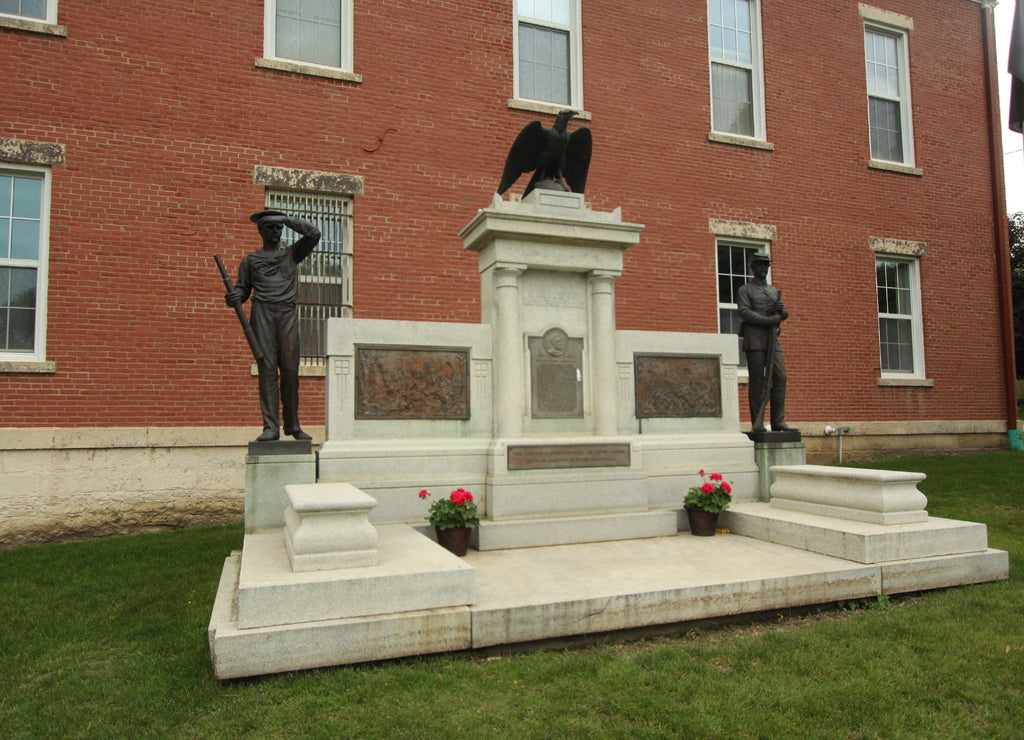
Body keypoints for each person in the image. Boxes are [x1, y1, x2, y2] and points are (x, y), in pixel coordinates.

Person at [225, 209, 321, 442]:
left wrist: (286, 219)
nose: (276, 231)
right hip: (263, 315)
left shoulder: (291, 254)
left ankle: (292, 424)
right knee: (267, 371)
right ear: (261, 231)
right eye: (271, 227)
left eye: (279, 228)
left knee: (290, 371)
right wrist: (235, 297)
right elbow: (243, 289)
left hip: (287, 314)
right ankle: (270, 427)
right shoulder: (250, 261)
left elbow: (314, 234)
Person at [736, 252, 796, 433]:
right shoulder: (745, 290)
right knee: (757, 381)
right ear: (753, 267)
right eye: (760, 265)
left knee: (781, 376)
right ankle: (758, 422)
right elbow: (744, 312)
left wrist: (782, 312)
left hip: (772, 339)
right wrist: (767, 320)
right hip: (754, 340)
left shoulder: (772, 291)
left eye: (766, 265)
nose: (764, 268)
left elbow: (784, 312)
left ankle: (778, 420)